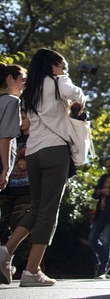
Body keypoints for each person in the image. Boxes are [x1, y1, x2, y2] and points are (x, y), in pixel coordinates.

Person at [0, 49, 85, 286]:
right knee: (49, 211)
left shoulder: (29, 91)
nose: (64, 70)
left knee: (37, 208)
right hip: (55, 150)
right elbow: (78, 94)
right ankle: (32, 271)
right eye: (62, 65)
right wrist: (69, 89)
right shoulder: (58, 82)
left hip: (33, 153)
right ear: (52, 65)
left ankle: (6, 251)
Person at [0, 110, 31, 277]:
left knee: (20, 225)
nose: (21, 121)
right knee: (3, 226)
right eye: (19, 117)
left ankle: (19, 266)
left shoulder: (38, 139)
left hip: (27, 191)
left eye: (24, 118)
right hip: (7, 189)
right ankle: (5, 266)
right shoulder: (11, 137)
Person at [0, 63, 26, 192]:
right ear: (10, 78)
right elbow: (5, 136)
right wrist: (6, 168)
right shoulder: (11, 101)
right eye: (22, 79)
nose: (24, 85)